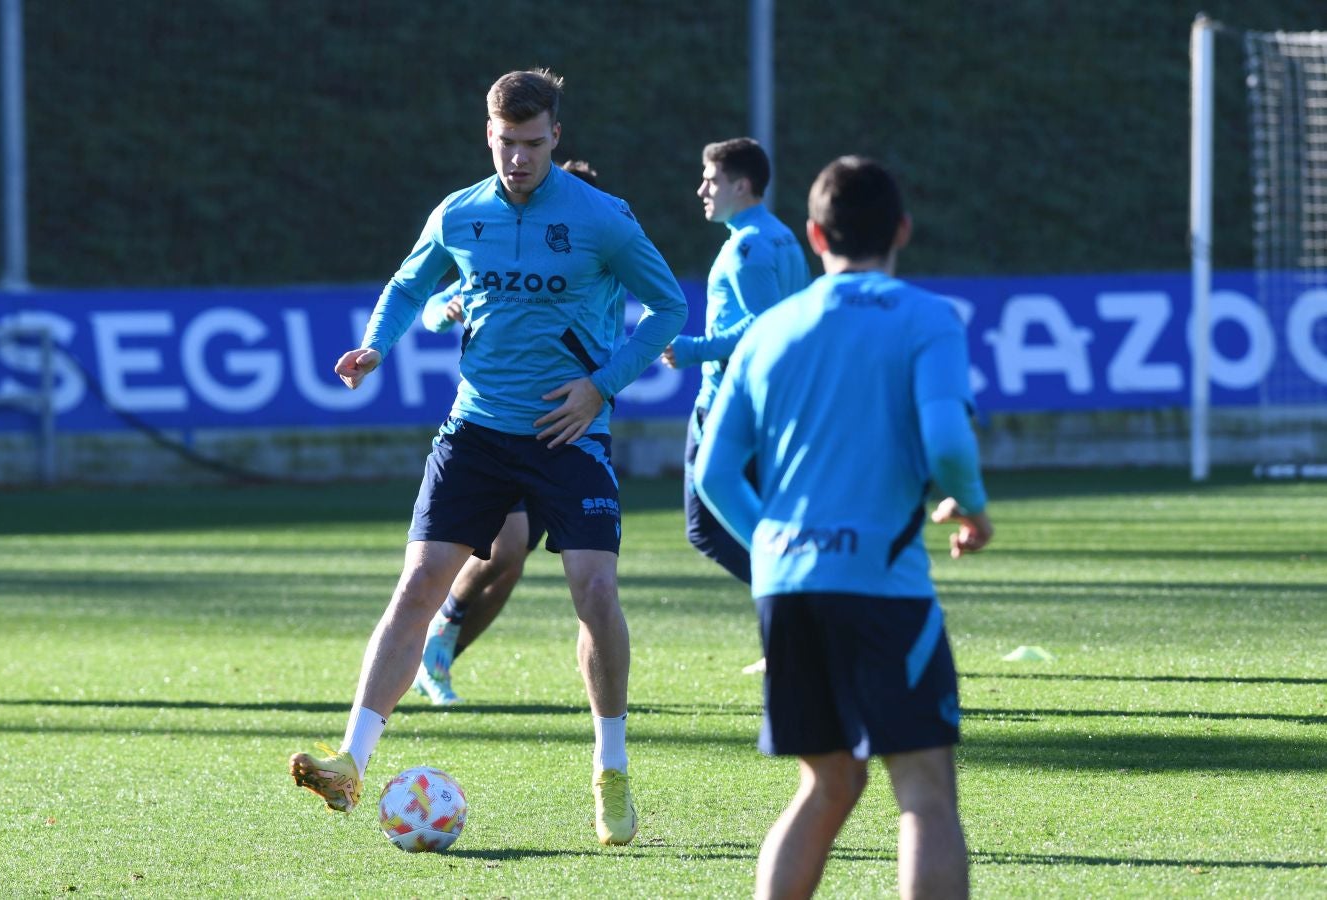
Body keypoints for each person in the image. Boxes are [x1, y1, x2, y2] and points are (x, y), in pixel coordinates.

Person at [289, 71, 686, 849]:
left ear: (555, 138)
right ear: (488, 136)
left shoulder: (602, 219)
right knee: (418, 583)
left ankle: (610, 769)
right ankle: (351, 759)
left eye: (532, 145)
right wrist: (377, 343)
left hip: (567, 435)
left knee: (593, 590)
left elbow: (668, 305)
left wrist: (600, 389)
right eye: (505, 145)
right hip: (474, 431)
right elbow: (409, 287)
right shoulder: (459, 213)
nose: (518, 160)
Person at [693, 155, 992, 899]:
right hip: (880, 588)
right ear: (901, 229)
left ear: (812, 235)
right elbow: (949, 443)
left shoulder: (770, 332)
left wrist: (772, 543)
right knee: (922, 791)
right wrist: (971, 505)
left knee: (826, 786)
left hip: (788, 585)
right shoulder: (926, 319)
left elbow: (714, 473)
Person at [413, 159, 605, 706]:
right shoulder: (500, 242)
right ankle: (441, 627)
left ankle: (441, 657)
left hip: (565, 430)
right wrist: (443, 310)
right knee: (507, 546)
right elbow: (425, 302)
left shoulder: (598, 256)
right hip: (498, 422)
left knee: (511, 564)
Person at [659, 138, 809, 674]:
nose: (702, 189)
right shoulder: (784, 237)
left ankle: (798, 605)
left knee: (705, 527)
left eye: (711, 179)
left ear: (741, 185)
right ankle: (793, 621)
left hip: (729, 404)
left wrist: (695, 349)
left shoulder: (746, 247)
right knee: (751, 519)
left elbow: (764, 327)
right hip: (769, 403)